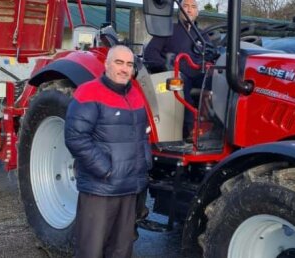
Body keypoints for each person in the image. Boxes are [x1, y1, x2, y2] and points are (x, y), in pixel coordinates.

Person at [65, 45, 152, 258]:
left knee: (121, 250)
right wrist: (106, 170)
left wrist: (145, 165)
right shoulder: (89, 92)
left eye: (129, 64)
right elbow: (76, 138)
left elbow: (142, 136)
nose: (124, 69)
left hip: (130, 187)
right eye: (119, 62)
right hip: (101, 189)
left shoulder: (135, 95)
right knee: (91, 250)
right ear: (106, 64)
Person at [144, 0, 207, 140]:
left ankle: (214, 129)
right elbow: (150, 53)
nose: (189, 10)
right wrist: (167, 65)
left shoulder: (204, 36)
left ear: (197, 12)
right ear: (179, 11)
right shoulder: (168, 30)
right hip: (176, 76)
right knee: (182, 82)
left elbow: (211, 55)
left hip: (199, 74)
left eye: (193, 7)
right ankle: (192, 130)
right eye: (185, 6)